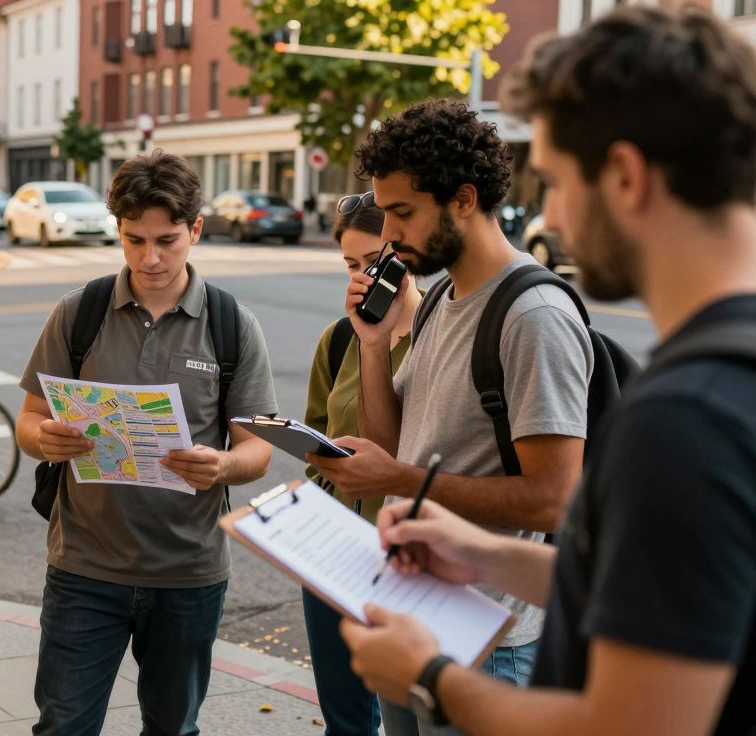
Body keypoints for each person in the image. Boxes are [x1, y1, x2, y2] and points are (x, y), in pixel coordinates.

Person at [338, 8, 756, 735]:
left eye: (558, 181)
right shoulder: (722, 379)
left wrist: (429, 678)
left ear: (624, 175)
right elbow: (661, 588)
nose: (551, 215)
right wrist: (479, 554)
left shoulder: (687, 416)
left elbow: (630, 725)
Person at [310, 98, 593, 736]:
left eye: (403, 213)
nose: (387, 235)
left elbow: (554, 500)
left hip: (489, 640)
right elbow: (394, 450)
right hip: (416, 614)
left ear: (463, 199)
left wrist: (405, 482)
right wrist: (374, 344)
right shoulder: (441, 294)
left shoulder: (533, 315)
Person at [15, 150, 279, 735]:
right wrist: (46, 439)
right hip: (85, 567)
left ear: (196, 231)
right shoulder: (78, 313)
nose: (149, 258)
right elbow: (29, 420)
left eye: (166, 240)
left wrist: (222, 464)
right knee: (62, 726)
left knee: (172, 728)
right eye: (134, 240)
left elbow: (257, 451)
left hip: (188, 571)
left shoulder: (232, 325)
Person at [302, 192, 422, 736]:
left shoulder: (437, 338)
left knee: (404, 715)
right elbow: (318, 441)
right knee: (345, 722)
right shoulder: (340, 338)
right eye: (351, 265)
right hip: (337, 550)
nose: (361, 277)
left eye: (374, 263)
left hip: (403, 557)